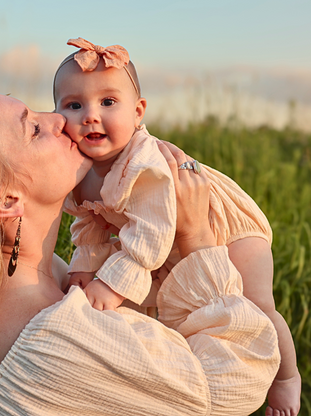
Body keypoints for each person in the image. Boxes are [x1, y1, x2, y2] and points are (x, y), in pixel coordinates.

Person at [0, 88, 280, 416]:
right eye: (33, 128)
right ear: (5, 199)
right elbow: (235, 383)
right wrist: (196, 238)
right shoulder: (56, 338)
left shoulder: (31, 283)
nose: (60, 119)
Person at [53, 38, 301, 415]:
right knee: (176, 307)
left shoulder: (143, 164)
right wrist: (84, 267)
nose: (90, 115)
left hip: (226, 225)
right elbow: (89, 219)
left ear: (138, 113)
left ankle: (286, 378)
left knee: (256, 305)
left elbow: (151, 230)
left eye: (108, 102)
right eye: (74, 105)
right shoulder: (81, 169)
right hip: (172, 238)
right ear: (57, 114)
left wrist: (112, 282)